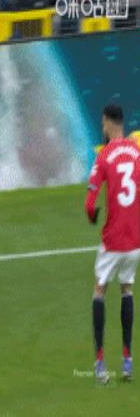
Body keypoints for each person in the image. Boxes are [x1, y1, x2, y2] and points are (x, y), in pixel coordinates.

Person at [85, 104, 140, 383]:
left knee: (99, 291)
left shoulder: (104, 156)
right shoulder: (137, 152)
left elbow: (90, 202)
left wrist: (92, 215)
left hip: (113, 239)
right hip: (135, 240)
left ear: (107, 122)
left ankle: (99, 364)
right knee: (127, 289)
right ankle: (127, 361)